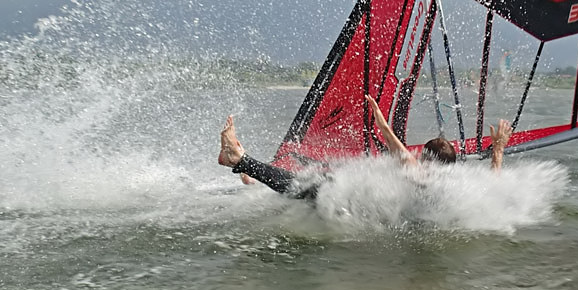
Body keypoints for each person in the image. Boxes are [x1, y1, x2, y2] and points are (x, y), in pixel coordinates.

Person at [217, 95, 513, 200]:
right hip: (352, 205)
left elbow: (390, 138)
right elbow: (493, 188)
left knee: (296, 186)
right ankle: (249, 177)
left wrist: (379, 117)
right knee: (294, 187)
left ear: (425, 157)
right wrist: (497, 151)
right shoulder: (455, 190)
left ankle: (238, 160)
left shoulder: (418, 173)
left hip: (341, 202)